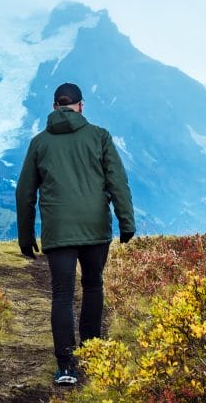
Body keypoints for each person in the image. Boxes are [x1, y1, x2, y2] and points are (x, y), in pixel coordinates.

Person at [15, 82, 135, 386]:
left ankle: (66, 366)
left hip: (58, 230)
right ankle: (92, 355)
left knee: (62, 294)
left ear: (54, 107)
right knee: (93, 285)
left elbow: (25, 192)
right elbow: (118, 182)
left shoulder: (40, 143)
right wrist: (126, 222)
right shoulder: (99, 137)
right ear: (81, 106)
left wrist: (26, 236)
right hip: (95, 228)